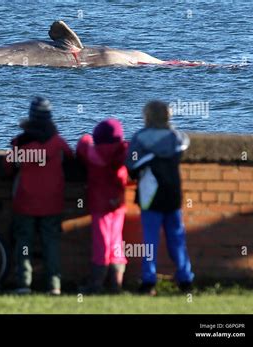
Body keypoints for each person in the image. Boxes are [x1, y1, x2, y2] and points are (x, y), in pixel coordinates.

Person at [4, 97, 74, 295]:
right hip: (52, 201)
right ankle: (54, 285)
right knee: (51, 243)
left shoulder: (20, 142)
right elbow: (70, 156)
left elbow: (7, 167)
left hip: (24, 201)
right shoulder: (57, 142)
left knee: (23, 244)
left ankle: (24, 284)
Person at [125, 100, 194, 296]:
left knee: (150, 240)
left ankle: (148, 281)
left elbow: (131, 165)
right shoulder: (176, 138)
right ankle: (185, 279)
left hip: (150, 195)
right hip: (172, 193)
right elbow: (183, 146)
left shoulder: (140, 138)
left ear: (147, 117)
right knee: (177, 238)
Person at [76, 119, 128, 293]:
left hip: (100, 205)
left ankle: (96, 284)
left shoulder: (92, 153)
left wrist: (85, 137)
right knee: (116, 243)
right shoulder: (122, 153)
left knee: (101, 244)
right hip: (118, 204)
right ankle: (116, 284)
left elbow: (82, 146)